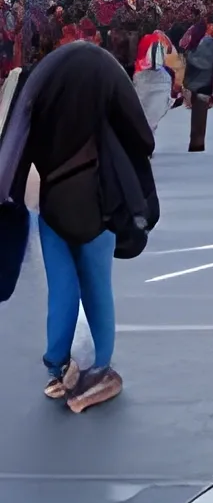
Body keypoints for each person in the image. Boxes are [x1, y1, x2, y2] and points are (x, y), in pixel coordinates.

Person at [2, 37, 157, 411]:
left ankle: (57, 366)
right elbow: (143, 137)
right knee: (97, 287)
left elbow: (18, 145)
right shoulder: (105, 71)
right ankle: (99, 367)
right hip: (96, 202)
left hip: (53, 202)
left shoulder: (38, 82)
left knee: (62, 288)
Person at [181, 18, 213, 154]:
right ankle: (197, 146)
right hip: (205, 83)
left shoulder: (193, 42)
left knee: (195, 116)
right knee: (201, 117)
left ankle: (194, 142)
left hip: (191, 83)